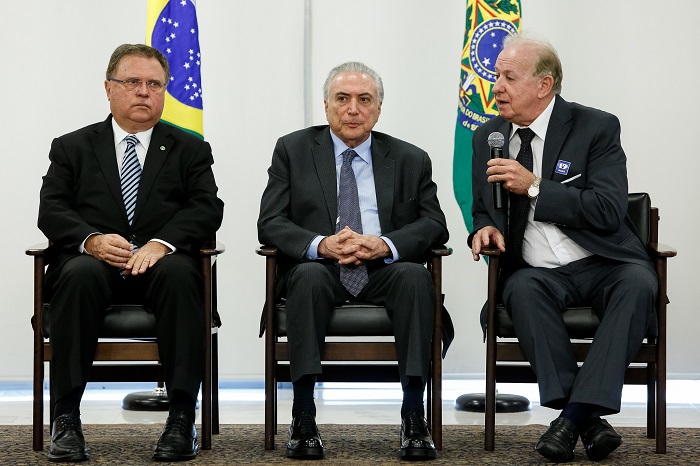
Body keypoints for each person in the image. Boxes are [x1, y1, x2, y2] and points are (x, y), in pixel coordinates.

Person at [468, 33, 657, 463]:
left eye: (508, 76)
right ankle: (587, 420)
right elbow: (484, 207)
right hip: (537, 272)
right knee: (521, 290)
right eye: (496, 74)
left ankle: (570, 417)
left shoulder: (596, 127)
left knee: (638, 283)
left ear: (544, 85)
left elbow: (609, 210)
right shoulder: (488, 138)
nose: (495, 85)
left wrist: (534, 185)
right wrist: (482, 229)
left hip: (604, 260)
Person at [38, 44, 224, 462]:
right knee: (80, 273)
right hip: (93, 263)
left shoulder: (189, 148)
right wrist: (92, 240)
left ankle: (180, 418)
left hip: (160, 264)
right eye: (133, 82)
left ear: (163, 91)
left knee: (180, 274)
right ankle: (66, 418)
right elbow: (51, 209)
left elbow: (207, 207)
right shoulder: (72, 147)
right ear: (109, 88)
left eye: (154, 84)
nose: (144, 92)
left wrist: (161, 244)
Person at [257, 61, 450, 460]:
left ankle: (414, 414)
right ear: (326, 105)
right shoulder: (292, 150)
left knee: (416, 277)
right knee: (307, 277)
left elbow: (435, 224)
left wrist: (385, 244)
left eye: (365, 100)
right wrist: (321, 244)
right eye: (342, 99)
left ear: (379, 108)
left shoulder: (410, 158)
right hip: (321, 269)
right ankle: (304, 415)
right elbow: (270, 222)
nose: (353, 109)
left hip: (384, 270)